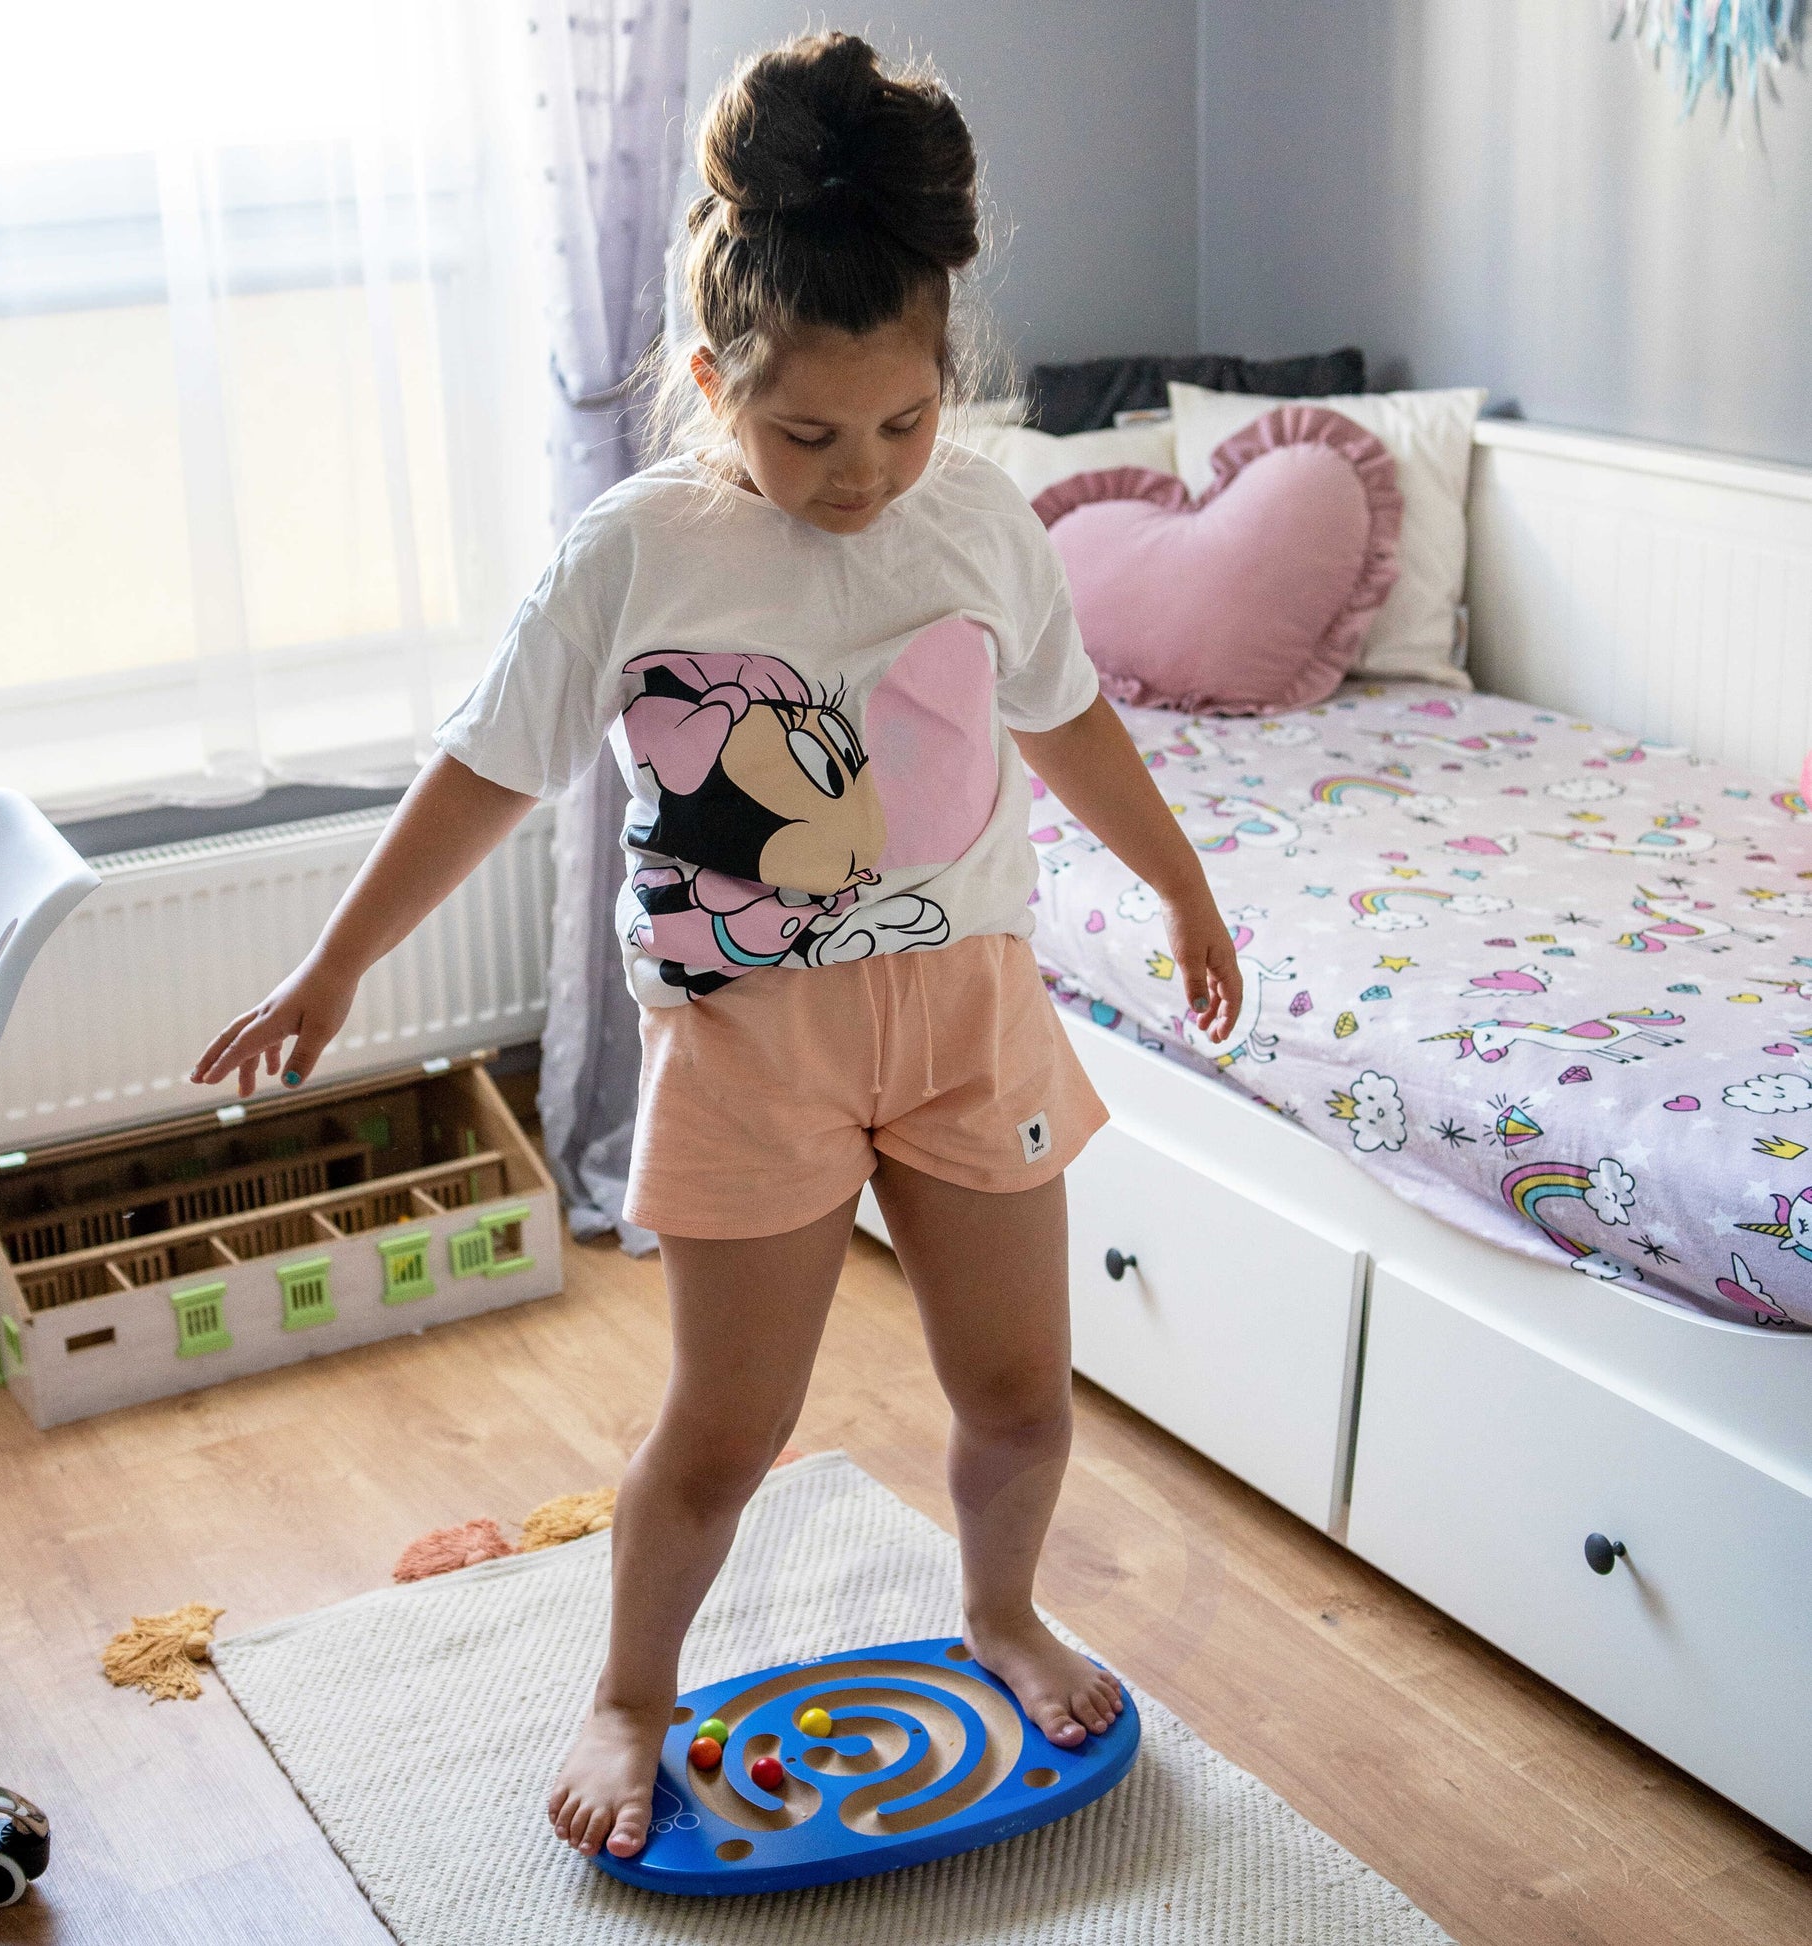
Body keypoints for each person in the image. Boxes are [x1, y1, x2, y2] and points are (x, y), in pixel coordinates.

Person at [192, 30, 1241, 1863]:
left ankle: (996, 1611)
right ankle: (627, 1686)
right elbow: (484, 771)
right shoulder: (635, 551)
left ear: (946, 380)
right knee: (723, 1428)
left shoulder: (983, 518)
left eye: (904, 422)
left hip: (966, 1015)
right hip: (753, 1039)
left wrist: (1178, 882)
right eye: (806, 433)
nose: (862, 475)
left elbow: (1069, 720)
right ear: (708, 380)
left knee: (1015, 1390)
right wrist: (336, 965)